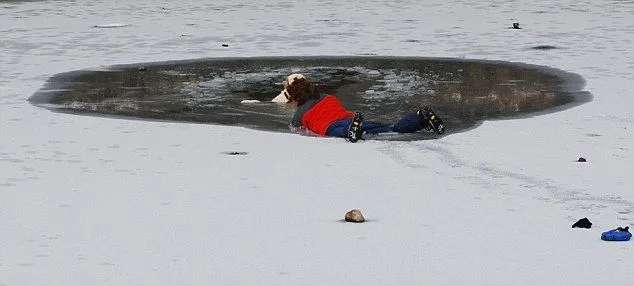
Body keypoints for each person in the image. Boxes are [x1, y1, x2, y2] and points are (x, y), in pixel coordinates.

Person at [278, 73, 444, 142]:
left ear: (295, 98)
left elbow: (295, 130)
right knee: (391, 128)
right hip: (349, 118)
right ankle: (421, 117)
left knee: (344, 132)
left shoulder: (301, 112)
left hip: (331, 127)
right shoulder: (329, 97)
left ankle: (353, 129)